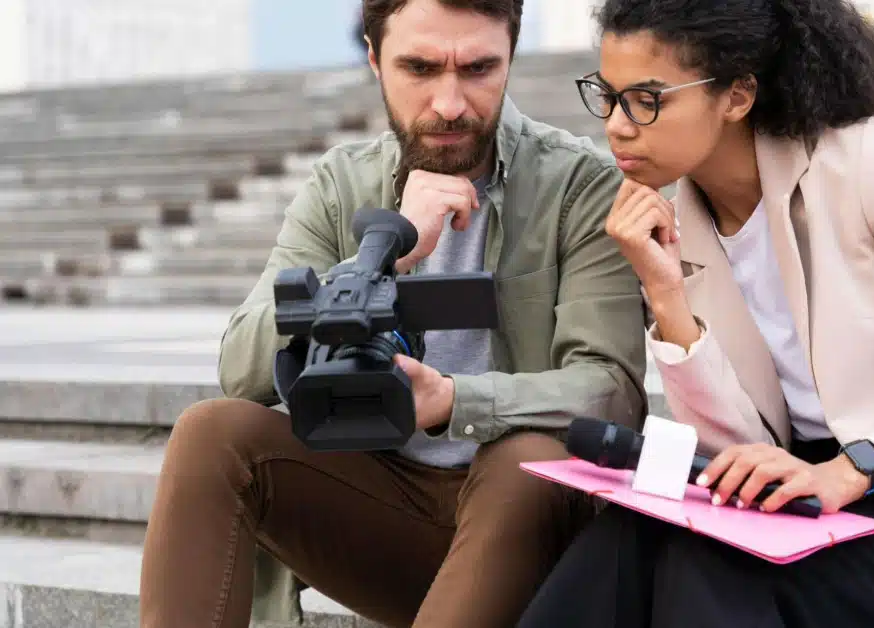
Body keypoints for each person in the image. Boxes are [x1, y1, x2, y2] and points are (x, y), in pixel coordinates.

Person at [516, 1, 874, 627]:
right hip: (799, 498)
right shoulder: (677, 223)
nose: (617, 125)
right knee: (626, 539)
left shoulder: (870, 164)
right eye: (606, 96)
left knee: (713, 562)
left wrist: (853, 468)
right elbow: (730, 447)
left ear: (737, 96)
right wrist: (666, 298)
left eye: (646, 98)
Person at [138, 0, 649, 626]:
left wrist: (454, 399)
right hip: (383, 513)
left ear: (512, 54)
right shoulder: (340, 185)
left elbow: (611, 391)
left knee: (523, 459)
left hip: (536, 535)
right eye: (420, 68)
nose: (450, 103)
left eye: (480, 68)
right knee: (211, 433)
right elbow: (240, 366)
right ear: (375, 59)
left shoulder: (581, 185)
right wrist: (385, 254)